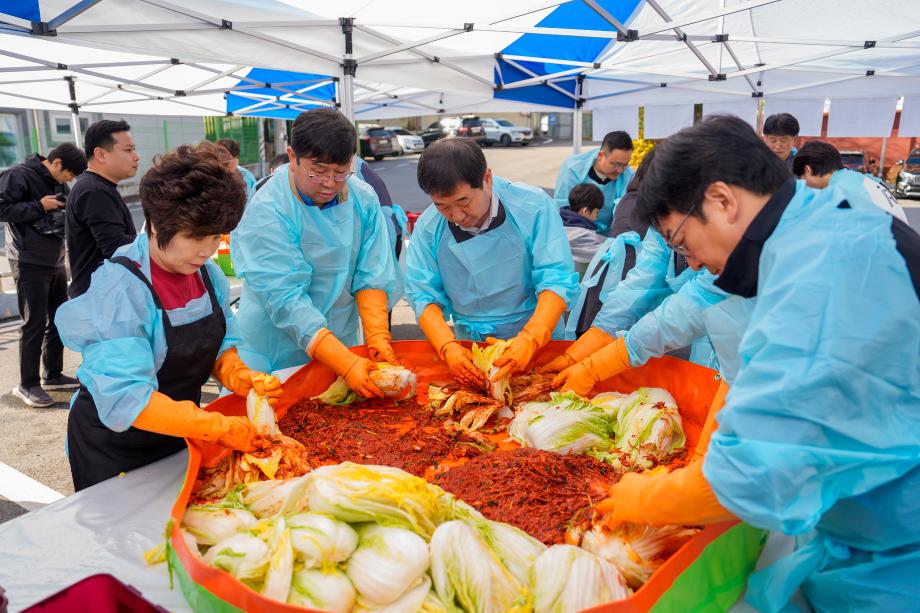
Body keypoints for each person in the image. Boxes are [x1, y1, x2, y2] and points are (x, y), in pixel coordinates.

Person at [598, 115, 920, 612]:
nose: (693, 263)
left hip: (899, 550)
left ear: (722, 201)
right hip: (866, 525)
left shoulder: (819, 272)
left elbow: (746, 480)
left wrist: (638, 497)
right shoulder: (816, 229)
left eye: (681, 242)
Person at [56, 142, 282, 491]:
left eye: (216, 236)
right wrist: (216, 426)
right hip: (114, 446)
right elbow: (129, 398)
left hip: (180, 434)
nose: (207, 250)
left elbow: (221, 344)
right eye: (196, 236)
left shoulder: (207, 275)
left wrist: (238, 375)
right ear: (156, 223)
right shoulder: (121, 288)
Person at [231, 109, 400, 398]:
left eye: (341, 172)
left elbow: (372, 274)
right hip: (275, 349)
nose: (330, 183)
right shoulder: (269, 207)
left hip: (341, 342)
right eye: (318, 171)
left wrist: (377, 337)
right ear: (292, 157)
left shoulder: (363, 198)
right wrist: (346, 363)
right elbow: (285, 298)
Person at [405, 138, 578, 385]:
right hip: (470, 347)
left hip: (538, 339)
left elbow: (557, 279)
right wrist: (448, 347)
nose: (456, 216)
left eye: (463, 201)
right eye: (442, 206)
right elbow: (423, 295)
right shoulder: (429, 227)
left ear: (487, 179)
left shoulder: (533, 207)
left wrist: (530, 338)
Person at [0, 144, 87, 407]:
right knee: (34, 322)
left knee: (59, 318)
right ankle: (27, 384)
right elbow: (2, 209)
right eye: (70, 174)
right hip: (27, 259)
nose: (70, 180)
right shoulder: (18, 175)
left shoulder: (58, 182)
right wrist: (39, 205)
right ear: (56, 162)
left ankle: (52, 373)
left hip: (55, 258)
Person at [66, 119, 139, 298]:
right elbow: (117, 247)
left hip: (103, 294)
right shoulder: (94, 191)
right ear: (100, 154)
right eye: (128, 150)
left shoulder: (97, 186)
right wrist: (156, 243)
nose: (136, 156)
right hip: (100, 298)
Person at [794, 139, 908, 223]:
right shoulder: (857, 179)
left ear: (807, 170)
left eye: (801, 178)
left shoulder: (839, 191)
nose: (804, 186)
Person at [554, 131, 635, 233]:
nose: (620, 170)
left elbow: (625, 213)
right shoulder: (573, 168)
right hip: (574, 231)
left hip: (609, 235)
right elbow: (562, 209)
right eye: (617, 164)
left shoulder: (629, 175)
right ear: (600, 156)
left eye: (625, 165)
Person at [559, 183, 605, 278]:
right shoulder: (583, 236)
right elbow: (603, 254)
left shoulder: (557, 223)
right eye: (596, 212)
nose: (596, 217)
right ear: (585, 211)